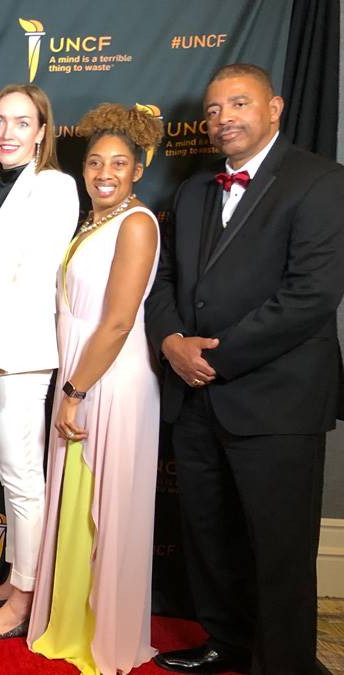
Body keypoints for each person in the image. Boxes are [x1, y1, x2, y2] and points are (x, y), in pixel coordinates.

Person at [146, 63, 344, 675]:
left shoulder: (321, 181)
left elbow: (311, 295)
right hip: (198, 398)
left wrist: (215, 358)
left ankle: (282, 662)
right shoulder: (193, 190)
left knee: (279, 547)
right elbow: (167, 280)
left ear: (276, 107)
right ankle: (225, 641)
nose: (223, 118)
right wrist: (173, 341)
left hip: (277, 398)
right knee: (209, 534)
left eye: (238, 103)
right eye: (212, 109)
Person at [26, 103, 163, 674]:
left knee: (105, 507)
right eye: (95, 162)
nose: (104, 172)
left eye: (119, 163)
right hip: (81, 374)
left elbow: (118, 321)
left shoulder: (136, 222)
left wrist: (75, 390)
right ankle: (75, 621)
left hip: (110, 378)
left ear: (138, 169)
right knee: (81, 505)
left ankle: (104, 634)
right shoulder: (95, 220)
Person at [0, 83, 78, 640]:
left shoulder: (54, 187)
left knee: (24, 481)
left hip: (18, 360)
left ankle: (25, 599)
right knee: (11, 477)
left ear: (43, 132)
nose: (7, 133)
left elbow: (32, 282)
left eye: (22, 123)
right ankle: (16, 577)